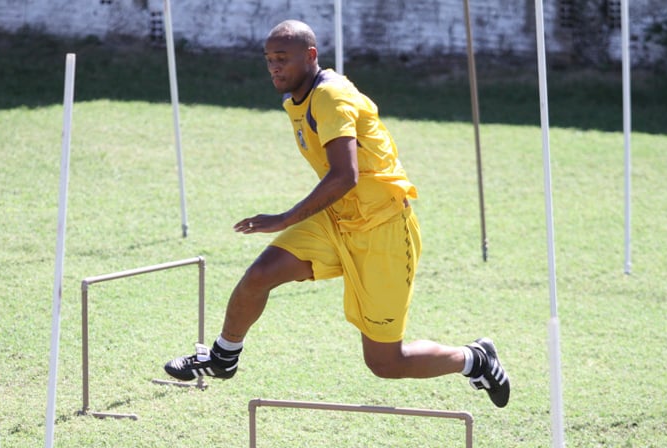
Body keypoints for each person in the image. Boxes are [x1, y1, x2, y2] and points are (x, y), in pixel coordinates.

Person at [164, 19, 510, 408]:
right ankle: (223, 357)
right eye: (269, 60)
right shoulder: (296, 100)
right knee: (260, 274)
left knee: (385, 362)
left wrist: (283, 218)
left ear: (310, 56)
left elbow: (345, 176)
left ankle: (475, 359)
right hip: (336, 219)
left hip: (383, 230)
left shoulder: (331, 97)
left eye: (283, 59)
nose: (274, 67)